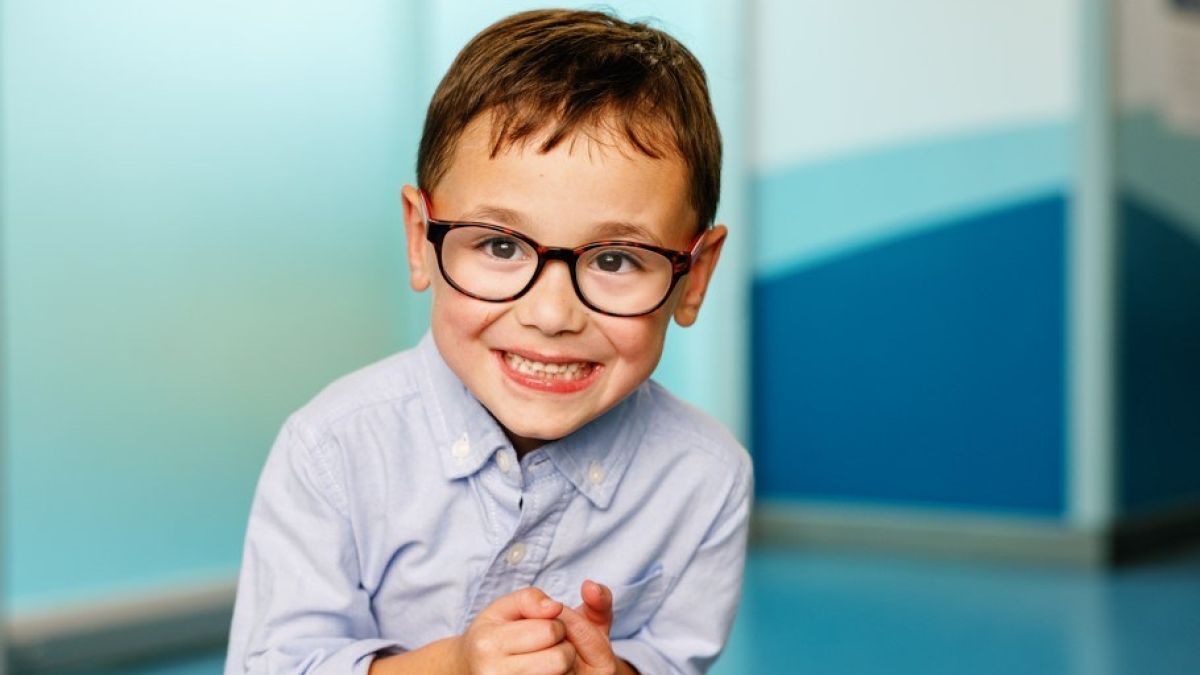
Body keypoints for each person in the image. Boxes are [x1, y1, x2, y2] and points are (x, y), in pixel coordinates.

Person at [224, 8, 751, 675]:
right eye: (501, 245)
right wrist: (453, 665)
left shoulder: (707, 476)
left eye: (616, 259)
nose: (552, 313)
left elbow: (674, 657)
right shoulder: (332, 448)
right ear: (421, 238)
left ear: (694, 276)